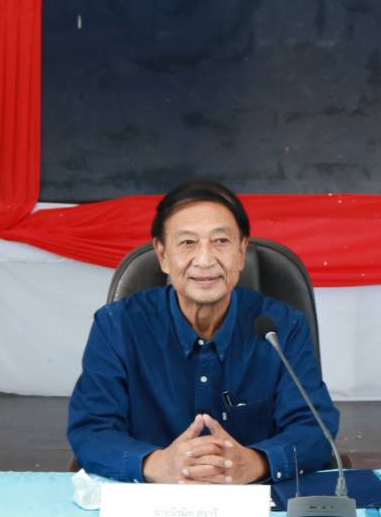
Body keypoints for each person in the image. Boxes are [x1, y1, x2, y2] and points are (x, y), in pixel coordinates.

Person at [68, 179, 339, 484]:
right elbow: (91, 430)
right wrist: (157, 464)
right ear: (162, 255)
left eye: (221, 241)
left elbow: (314, 429)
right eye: (188, 243)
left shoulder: (282, 328)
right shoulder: (117, 326)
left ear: (241, 251)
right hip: (150, 496)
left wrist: (256, 462)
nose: (206, 260)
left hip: (254, 497)